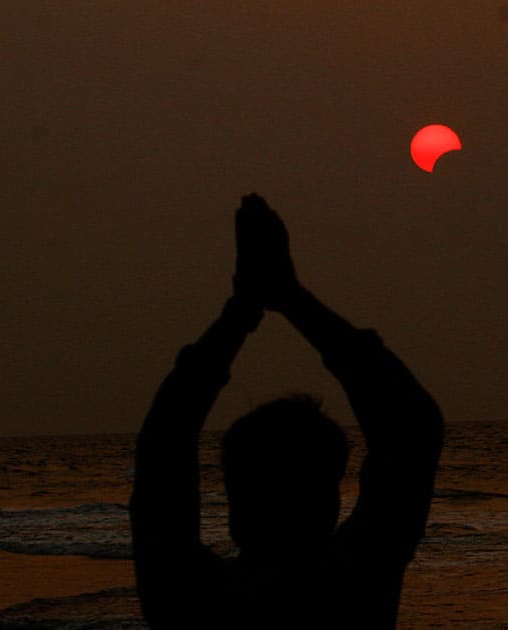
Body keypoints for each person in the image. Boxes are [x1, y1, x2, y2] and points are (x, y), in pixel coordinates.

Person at [130, 194, 444, 628]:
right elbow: (411, 428)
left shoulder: (190, 599)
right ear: (328, 502)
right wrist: (291, 297)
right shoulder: (353, 586)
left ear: (236, 503)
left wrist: (241, 311)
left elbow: (163, 444)